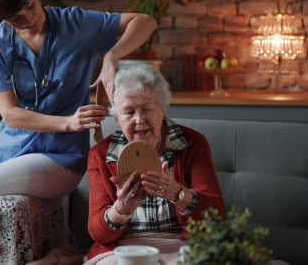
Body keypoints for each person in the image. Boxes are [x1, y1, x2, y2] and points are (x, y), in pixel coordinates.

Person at [0, 0, 157, 264]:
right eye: (15, 18)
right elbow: (10, 115)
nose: (29, 19)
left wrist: (111, 56)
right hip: (9, 156)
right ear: (1, 18)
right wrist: (67, 122)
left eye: (30, 6)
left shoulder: (75, 23)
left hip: (60, 157)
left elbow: (145, 21)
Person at [85, 64, 225, 264]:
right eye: (128, 112)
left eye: (147, 109)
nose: (139, 119)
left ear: (162, 110)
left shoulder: (193, 144)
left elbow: (216, 215)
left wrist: (178, 193)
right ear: (117, 120)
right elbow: (98, 234)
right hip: (124, 250)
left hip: (184, 247)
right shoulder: (100, 154)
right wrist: (121, 209)